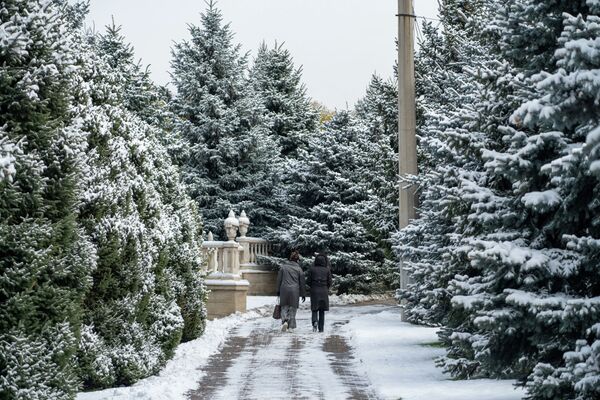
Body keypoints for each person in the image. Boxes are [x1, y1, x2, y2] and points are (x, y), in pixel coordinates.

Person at [276, 250, 306, 332]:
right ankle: (291, 326)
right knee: (293, 308)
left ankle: (284, 321)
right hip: (294, 291)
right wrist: (303, 294)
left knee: (284, 307)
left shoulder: (283, 267)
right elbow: (302, 282)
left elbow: (279, 279)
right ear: (297, 260)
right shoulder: (299, 269)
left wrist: (278, 290)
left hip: (284, 289)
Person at [307, 253, 332, 332]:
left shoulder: (312, 269)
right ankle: (321, 328)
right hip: (324, 290)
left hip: (314, 290)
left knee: (314, 309)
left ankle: (314, 322)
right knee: (322, 310)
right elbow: (330, 282)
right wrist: (326, 287)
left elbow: (308, 281)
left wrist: (312, 286)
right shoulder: (327, 270)